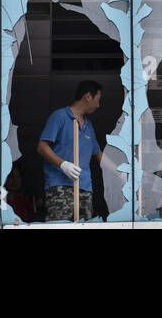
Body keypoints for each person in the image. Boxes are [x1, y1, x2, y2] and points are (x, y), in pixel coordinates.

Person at [37, 80, 111, 222]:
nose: (98, 105)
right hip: (60, 186)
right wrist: (63, 164)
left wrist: (119, 172)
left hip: (85, 189)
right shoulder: (59, 116)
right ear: (88, 96)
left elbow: (98, 154)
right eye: (97, 100)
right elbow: (42, 147)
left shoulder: (88, 126)